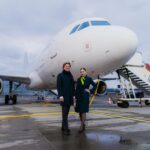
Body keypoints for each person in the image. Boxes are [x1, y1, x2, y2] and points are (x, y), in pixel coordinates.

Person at [75, 68, 96, 133]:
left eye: (83, 71)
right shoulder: (78, 79)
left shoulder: (89, 78)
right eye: (81, 72)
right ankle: (83, 124)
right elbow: (77, 89)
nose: (82, 73)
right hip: (79, 96)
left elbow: (95, 85)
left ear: (85, 72)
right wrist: (75, 98)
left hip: (85, 96)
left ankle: (81, 126)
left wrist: (90, 90)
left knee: (83, 111)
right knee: (80, 111)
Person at [57, 62, 75, 135]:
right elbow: (59, 86)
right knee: (64, 114)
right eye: (66, 66)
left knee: (66, 113)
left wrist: (73, 95)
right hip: (63, 97)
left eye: (69, 66)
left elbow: (72, 86)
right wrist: (60, 95)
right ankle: (66, 129)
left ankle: (62, 127)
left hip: (70, 97)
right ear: (63, 67)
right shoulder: (60, 75)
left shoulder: (70, 75)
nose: (68, 67)